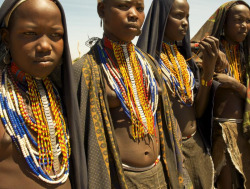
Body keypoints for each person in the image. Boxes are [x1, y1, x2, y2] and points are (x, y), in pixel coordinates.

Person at [73, 0, 186, 188]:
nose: (133, 14)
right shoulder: (85, 69)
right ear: (102, 10)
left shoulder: (149, 64)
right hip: (122, 179)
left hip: (161, 174)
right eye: (124, 6)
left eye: (139, 9)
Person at [0, 0, 87, 188]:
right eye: (30, 33)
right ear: (6, 37)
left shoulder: (63, 93)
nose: (45, 46)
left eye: (56, 35)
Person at [137, 0, 220, 188]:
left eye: (187, 17)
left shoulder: (185, 59)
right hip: (171, 152)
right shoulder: (146, 62)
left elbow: (197, 112)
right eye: (178, 16)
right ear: (161, 19)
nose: (185, 22)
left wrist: (208, 72)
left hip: (196, 146)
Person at [191, 1, 250, 188]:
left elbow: (238, 87)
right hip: (220, 130)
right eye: (239, 20)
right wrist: (212, 55)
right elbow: (189, 53)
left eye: (248, 21)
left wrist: (236, 86)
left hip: (244, 132)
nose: (244, 26)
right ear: (224, 22)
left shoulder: (247, 53)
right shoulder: (213, 49)